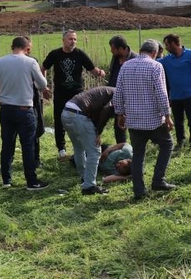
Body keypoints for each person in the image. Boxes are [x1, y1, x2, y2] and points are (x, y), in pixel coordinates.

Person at [0, 36, 50, 190]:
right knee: (28, 146)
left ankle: (6, 179)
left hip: (6, 109)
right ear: (27, 48)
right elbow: (43, 84)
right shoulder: (30, 62)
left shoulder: (0, 62)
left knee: (7, 145)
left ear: (11, 46)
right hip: (24, 109)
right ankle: (31, 181)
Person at [114, 39, 175, 201]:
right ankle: (158, 180)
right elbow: (162, 94)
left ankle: (139, 191)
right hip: (153, 120)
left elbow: (118, 93)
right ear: (154, 53)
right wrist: (167, 116)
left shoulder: (125, 66)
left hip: (133, 120)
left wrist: (120, 114)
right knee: (167, 144)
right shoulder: (156, 66)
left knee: (138, 154)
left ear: (141, 50)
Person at [42, 29, 105, 160]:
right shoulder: (55, 54)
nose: (73, 41)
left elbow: (92, 70)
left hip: (78, 95)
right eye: (70, 39)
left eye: (75, 39)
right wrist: (44, 86)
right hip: (60, 93)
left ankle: (82, 147)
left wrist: (100, 73)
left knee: (81, 119)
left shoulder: (80, 54)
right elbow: (43, 68)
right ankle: (61, 149)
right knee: (59, 120)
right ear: (63, 40)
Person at [61, 86, 116, 195]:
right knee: (95, 152)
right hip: (79, 115)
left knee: (79, 148)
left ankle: (84, 177)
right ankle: (89, 186)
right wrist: (98, 133)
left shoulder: (109, 91)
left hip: (66, 113)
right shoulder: (119, 94)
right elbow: (106, 111)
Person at [159, 34, 191, 148]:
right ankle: (181, 142)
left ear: (173, 44)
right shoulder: (167, 60)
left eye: (167, 45)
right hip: (175, 96)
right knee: (178, 121)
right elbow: (155, 63)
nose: (166, 48)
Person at [106, 35, 137, 143]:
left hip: (130, 98)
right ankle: (122, 147)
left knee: (132, 126)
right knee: (118, 125)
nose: (111, 51)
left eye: (113, 49)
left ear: (121, 49)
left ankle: (134, 148)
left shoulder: (135, 59)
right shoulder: (115, 58)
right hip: (115, 96)